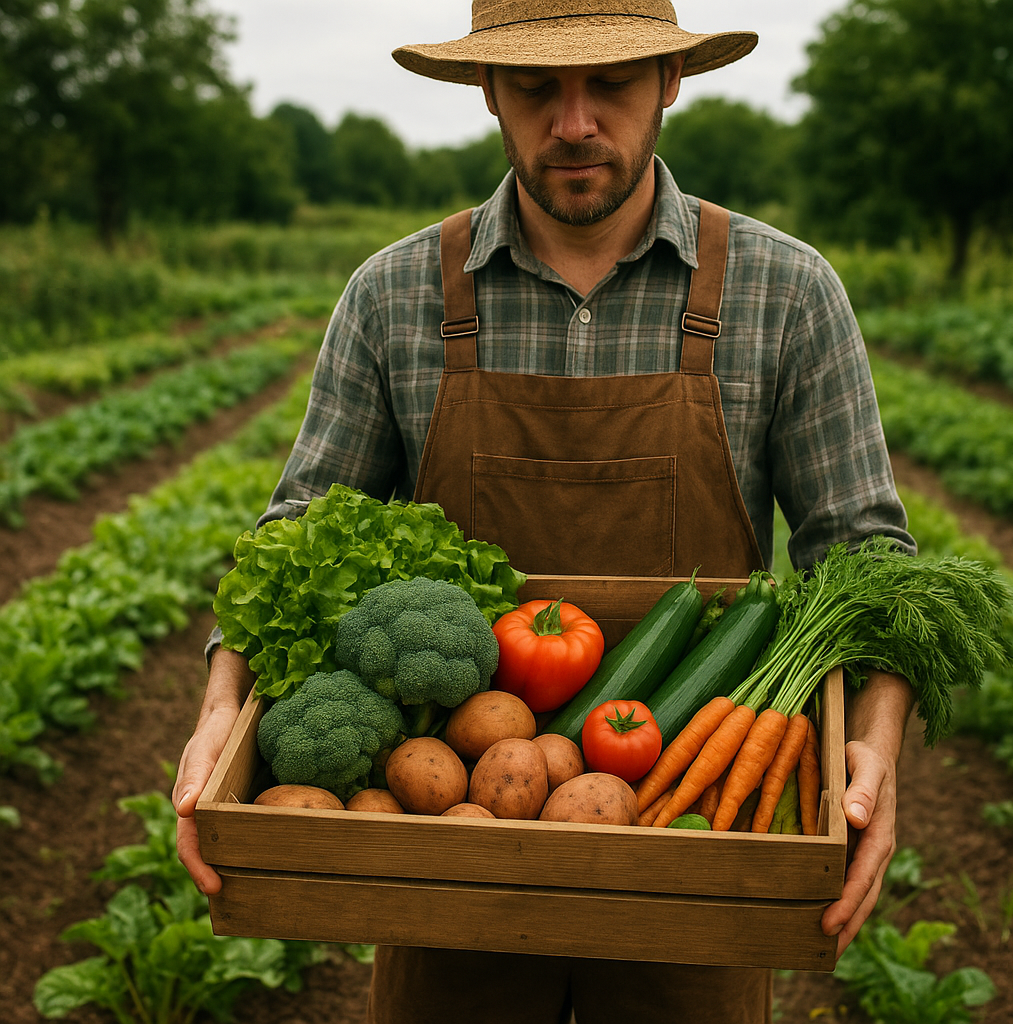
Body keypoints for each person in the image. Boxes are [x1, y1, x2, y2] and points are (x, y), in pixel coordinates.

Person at [174, 2, 918, 1021]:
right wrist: (223, 709)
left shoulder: (784, 293)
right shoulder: (394, 296)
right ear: (489, 93)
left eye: (609, 81)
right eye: (535, 86)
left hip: (692, 850)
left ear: (669, 80)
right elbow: (295, 530)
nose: (573, 121)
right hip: (447, 869)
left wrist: (873, 747)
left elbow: (864, 557)